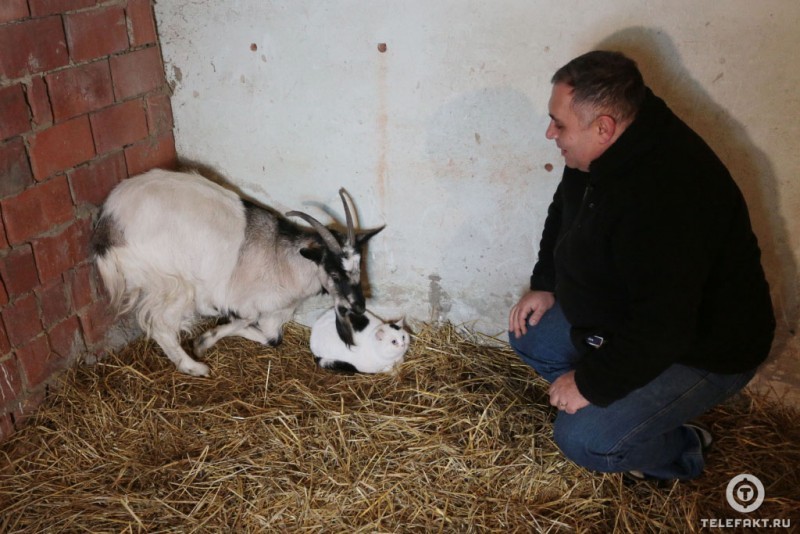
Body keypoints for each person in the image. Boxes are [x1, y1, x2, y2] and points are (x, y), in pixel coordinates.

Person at [508, 50, 775, 481]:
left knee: (584, 439)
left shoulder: (666, 198)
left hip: (703, 346)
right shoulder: (601, 149)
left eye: (559, 124)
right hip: (633, 313)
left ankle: (680, 448)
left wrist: (592, 385)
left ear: (604, 127)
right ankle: (625, 408)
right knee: (531, 336)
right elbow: (566, 209)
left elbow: (664, 325)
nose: (549, 132)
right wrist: (545, 281)